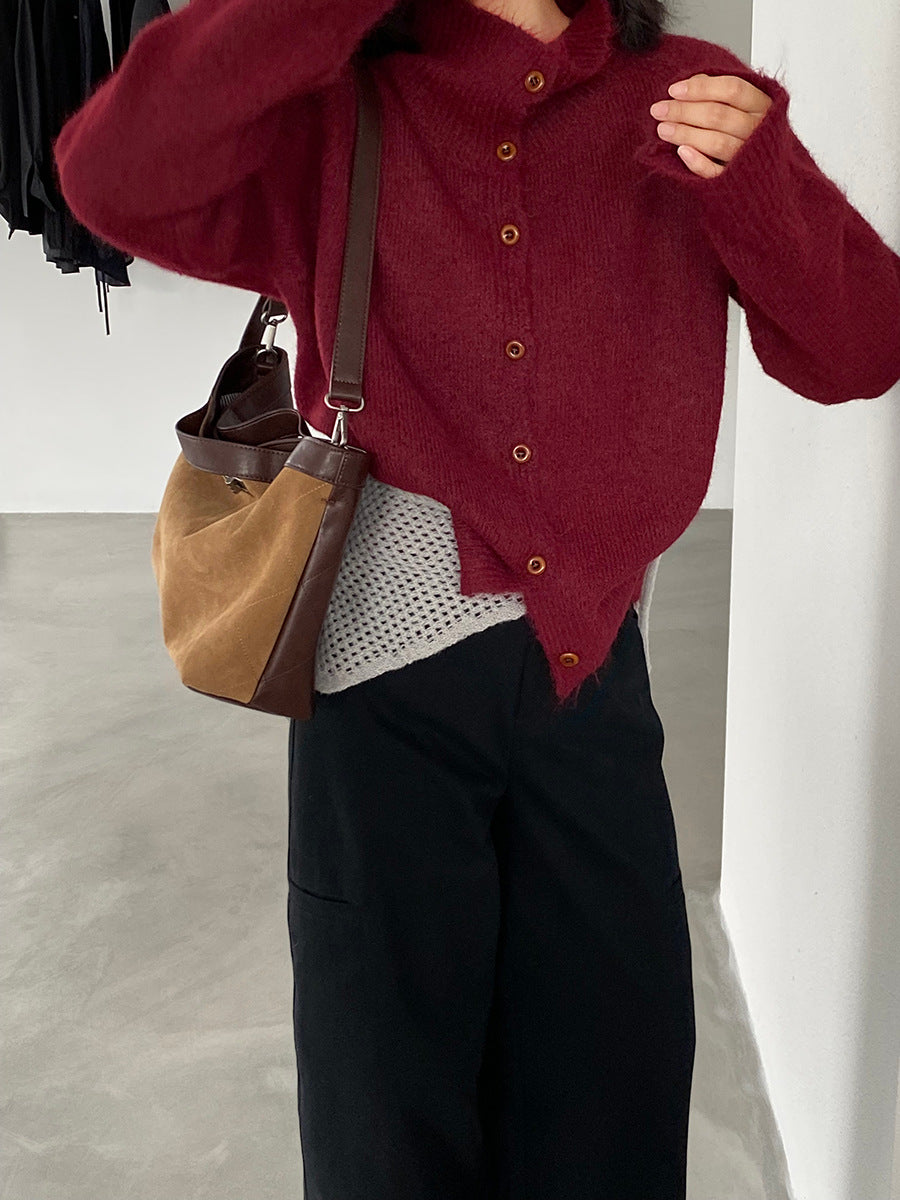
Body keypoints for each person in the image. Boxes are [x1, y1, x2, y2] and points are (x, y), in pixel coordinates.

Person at [52, 0, 900, 1196]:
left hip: (591, 675)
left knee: (611, 1104)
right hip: (375, 696)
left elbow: (861, 347)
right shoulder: (338, 106)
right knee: (385, 1121)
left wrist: (764, 187)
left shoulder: (683, 95)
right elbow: (110, 173)